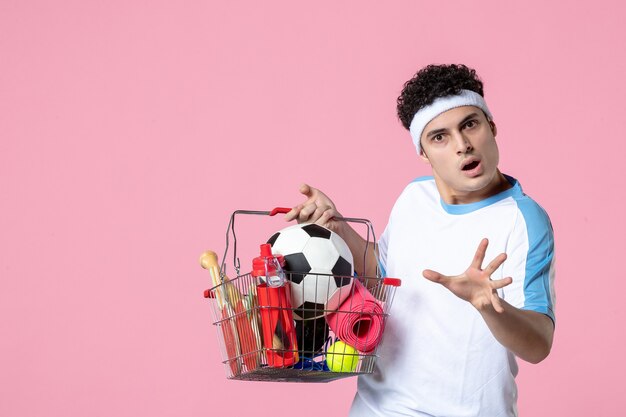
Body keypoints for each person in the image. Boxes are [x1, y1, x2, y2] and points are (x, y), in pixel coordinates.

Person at [285, 64, 555, 417]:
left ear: (491, 126)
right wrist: (337, 227)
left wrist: (489, 307)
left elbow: (538, 345)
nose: (463, 145)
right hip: (376, 408)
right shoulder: (414, 197)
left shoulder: (524, 220)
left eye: (470, 124)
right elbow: (386, 274)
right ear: (423, 153)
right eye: (439, 136)